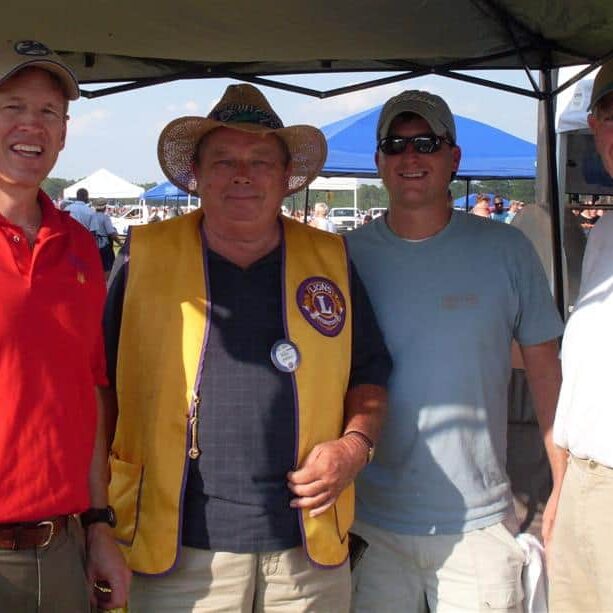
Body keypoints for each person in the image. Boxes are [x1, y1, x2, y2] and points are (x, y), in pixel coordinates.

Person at [103, 83, 391, 612]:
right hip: (176, 545)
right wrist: (95, 517)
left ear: (285, 178)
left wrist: (354, 448)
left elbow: (370, 372)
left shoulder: (330, 258)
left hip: (307, 547)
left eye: (261, 160)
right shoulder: (144, 255)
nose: (242, 173)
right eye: (224, 160)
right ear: (196, 173)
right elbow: (99, 384)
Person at [346, 89, 565, 612]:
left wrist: (562, 488)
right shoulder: (343, 256)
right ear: (378, 161)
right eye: (395, 145)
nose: (410, 156)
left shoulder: (507, 249)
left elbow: (546, 374)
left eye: (426, 142)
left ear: (454, 157)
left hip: (480, 526)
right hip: (369, 524)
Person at [0, 40, 130, 611]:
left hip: (60, 547)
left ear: (65, 131)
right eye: (11, 106)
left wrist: (99, 522)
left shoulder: (79, 244)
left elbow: (90, 388)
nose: (32, 124)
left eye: (49, 111)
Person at [549, 58, 613, 612]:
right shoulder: (606, 234)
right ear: (595, 126)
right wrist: (561, 488)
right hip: (584, 485)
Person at [91, 202, 120, 278]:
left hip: (94, 244)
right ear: (104, 208)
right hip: (104, 245)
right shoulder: (105, 217)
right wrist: (120, 243)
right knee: (108, 267)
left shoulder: (92, 216)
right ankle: (106, 286)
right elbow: (111, 233)